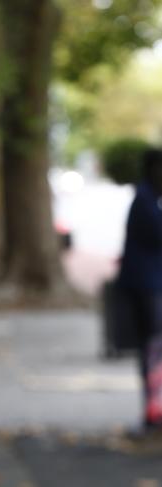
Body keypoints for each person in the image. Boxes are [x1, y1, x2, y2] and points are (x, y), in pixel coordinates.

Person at [118, 148, 162, 432]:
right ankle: (153, 412)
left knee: (154, 349)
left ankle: (154, 410)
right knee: (154, 349)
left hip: (149, 288)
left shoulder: (148, 199)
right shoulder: (145, 201)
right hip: (148, 290)